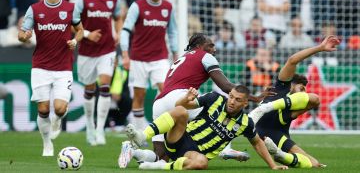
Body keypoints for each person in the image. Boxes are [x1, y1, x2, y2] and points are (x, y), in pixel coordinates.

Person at [118, 33, 271, 167]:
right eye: (210, 46)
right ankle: (226, 150)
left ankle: (132, 150)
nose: (214, 49)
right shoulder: (205, 56)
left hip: (160, 102)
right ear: (199, 46)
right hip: (180, 97)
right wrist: (254, 98)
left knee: (162, 156)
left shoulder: (184, 57)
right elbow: (225, 86)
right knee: (219, 114)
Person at [123, 86, 288, 170]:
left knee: (202, 163)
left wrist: (273, 166)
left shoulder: (245, 123)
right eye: (231, 96)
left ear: (245, 103)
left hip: (193, 154)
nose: (231, 101)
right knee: (181, 111)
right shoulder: (214, 98)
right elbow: (179, 106)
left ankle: (158, 166)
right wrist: (185, 99)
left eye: (237, 100)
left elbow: (257, 143)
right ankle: (142, 136)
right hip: (179, 137)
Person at [248, 35, 340, 168]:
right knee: (314, 98)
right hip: (258, 127)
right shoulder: (281, 86)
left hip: (277, 135)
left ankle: (280, 155)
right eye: (301, 88)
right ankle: (266, 108)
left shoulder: (294, 107)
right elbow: (292, 60)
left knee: (315, 164)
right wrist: (319, 48)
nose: (303, 92)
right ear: (292, 83)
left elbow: (313, 103)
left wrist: (307, 106)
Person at [18, 0, 84, 156]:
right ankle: (47, 143)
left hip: (63, 67)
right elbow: (23, 33)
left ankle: (58, 118)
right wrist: (24, 36)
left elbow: (80, 30)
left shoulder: (71, 8)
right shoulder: (34, 9)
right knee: (43, 109)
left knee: (60, 108)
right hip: (40, 66)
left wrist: (75, 40)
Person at [120, 0, 178, 131]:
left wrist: (176, 55)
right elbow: (125, 30)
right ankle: (139, 133)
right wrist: (125, 55)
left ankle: (167, 129)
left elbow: (173, 32)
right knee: (139, 96)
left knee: (168, 93)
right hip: (139, 59)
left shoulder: (168, 7)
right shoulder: (137, 6)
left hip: (160, 59)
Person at [73, 0, 123, 146]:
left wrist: (118, 32)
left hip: (107, 50)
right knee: (89, 89)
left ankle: (100, 129)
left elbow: (118, 17)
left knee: (105, 85)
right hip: (87, 51)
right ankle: (89, 125)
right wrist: (87, 34)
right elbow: (72, 23)